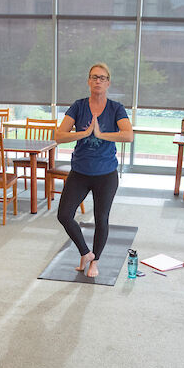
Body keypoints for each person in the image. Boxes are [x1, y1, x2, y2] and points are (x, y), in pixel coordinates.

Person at [54, 63, 134, 278]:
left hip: (105, 174)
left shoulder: (116, 108)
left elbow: (128, 135)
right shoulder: (78, 106)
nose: (98, 81)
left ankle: (94, 261)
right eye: (94, 77)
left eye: (102, 77)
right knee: (64, 214)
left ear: (108, 82)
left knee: (101, 218)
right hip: (80, 171)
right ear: (89, 81)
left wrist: (100, 134)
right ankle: (85, 252)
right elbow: (59, 136)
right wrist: (84, 133)